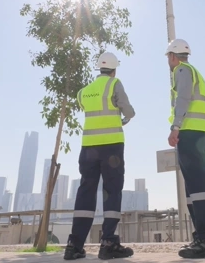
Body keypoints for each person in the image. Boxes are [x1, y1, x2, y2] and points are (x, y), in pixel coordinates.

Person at [64, 52, 136, 261]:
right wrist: (126, 117)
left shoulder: (84, 92)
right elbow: (128, 110)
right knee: (112, 191)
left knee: (86, 191)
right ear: (114, 69)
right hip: (111, 147)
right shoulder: (114, 84)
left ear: (98, 68)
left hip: (88, 148)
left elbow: (86, 107)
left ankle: (74, 245)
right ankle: (108, 243)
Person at [165, 39, 205, 259]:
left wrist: (175, 126)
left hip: (190, 131)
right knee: (194, 186)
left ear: (172, 56)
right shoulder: (193, 70)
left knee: (197, 184)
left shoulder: (182, 70)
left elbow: (183, 99)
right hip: (200, 131)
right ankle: (202, 237)